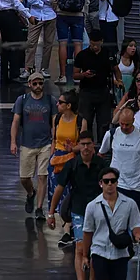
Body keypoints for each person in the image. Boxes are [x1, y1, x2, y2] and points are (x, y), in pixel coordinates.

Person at [82, 166, 140, 280]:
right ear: (101, 184)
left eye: (113, 181)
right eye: (106, 181)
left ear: (117, 183)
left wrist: (138, 235)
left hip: (120, 253)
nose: (110, 185)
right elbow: (87, 232)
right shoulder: (92, 206)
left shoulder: (129, 204)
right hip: (100, 250)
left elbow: (136, 224)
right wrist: (86, 255)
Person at [49, 133, 108, 280]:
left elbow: (111, 187)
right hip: (79, 211)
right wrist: (51, 213)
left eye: (89, 144)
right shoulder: (72, 165)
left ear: (93, 146)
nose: (86, 148)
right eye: (82, 144)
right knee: (80, 248)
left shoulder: (101, 165)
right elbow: (59, 189)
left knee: (95, 249)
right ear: (78, 146)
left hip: (99, 212)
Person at [11, 74, 58, 217]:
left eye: (41, 83)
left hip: (45, 143)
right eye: (35, 83)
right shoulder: (22, 100)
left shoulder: (50, 100)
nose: (38, 86)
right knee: (24, 178)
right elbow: (15, 122)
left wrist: (54, 142)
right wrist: (13, 141)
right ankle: (31, 193)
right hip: (27, 144)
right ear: (29, 84)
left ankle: (39, 209)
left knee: (43, 176)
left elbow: (54, 122)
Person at [50, 90, 86, 248]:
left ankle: (68, 229)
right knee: (57, 192)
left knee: (70, 194)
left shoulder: (80, 121)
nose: (57, 104)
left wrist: (74, 149)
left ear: (69, 105)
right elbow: (54, 139)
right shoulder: (56, 119)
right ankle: (66, 227)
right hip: (58, 160)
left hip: (72, 159)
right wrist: (51, 157)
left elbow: (84, 143)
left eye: (60, 102)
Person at [101, 107, 140, 212]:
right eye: (121, 124)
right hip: (117, 184)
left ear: (133, 121)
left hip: (137, 186)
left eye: (127, 124)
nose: (124, 127)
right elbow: (101, 154)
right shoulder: (111, 134)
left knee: (136, 220)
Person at [51, 0, 90, 84]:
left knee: (62, 43)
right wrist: (83, 12)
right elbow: (87, 0)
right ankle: (77, 75)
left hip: (62, 14)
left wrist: (56, 8)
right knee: (78, 43)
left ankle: (62, 76)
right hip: (78, 15)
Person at [0, 0, 34, 84]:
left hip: (1, 15)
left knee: (5, 45)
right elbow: (16, 3)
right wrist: (28, 16)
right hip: (9, 15)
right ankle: (14, 74)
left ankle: (4, 74)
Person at [75, 29, 116, 140]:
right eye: (92, 44)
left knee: (103, 122)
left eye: (97, 44)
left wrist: (118, 80)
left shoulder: (108, 53)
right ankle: (87, 143)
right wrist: (84, 75)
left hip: (103, 90)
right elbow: (75, 74)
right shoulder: (82, 55)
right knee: (85, 120)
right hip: (86, 91)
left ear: (101, 42)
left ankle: (103, 147)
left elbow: (116, 70)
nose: (94, 47)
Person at [24, 0, 58, 78]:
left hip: (50, 15)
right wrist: (44, 1)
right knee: (31, 42)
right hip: (36, 14)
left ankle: (44, 68)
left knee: (48, 44)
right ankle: (28, 68)